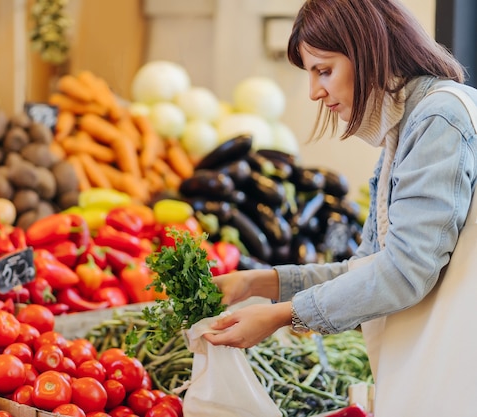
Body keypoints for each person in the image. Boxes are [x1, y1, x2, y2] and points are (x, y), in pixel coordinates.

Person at [203, 0, 477, 415]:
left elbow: (406, 272)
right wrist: (259, 284)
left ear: (371, 50)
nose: (315, 92)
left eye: (324, 70)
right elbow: (368, 267)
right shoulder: (402, 132)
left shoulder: (440, 118)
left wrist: (283, 316)